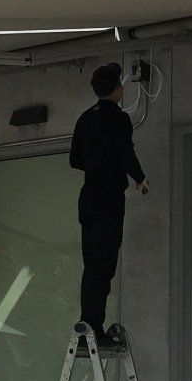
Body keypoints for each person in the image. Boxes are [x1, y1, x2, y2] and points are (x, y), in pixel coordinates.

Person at [70, 60, 149, 348]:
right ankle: (92, 328)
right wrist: (139, 177)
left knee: (91, 261)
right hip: (107, 197)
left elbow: (75, 160)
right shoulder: (118, 118)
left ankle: (87, 324)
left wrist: (96, 162)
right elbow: (126, 152)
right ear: (117, 89)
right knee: (104, 261)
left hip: (88, 195)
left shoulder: (84, 119)